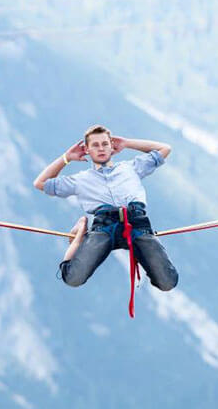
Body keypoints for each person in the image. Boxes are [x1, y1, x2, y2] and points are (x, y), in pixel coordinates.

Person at [33, 125, 178, 316]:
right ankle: (80, 233)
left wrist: (126, 143)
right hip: (104, 228)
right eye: (95, 145)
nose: (101, 148)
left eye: (104, 144)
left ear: (111, 147)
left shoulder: (131, 167)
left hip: (136, 223)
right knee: (73, 279)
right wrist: (66, 158)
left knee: (167, 283)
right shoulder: (80, 180)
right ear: (87, 150)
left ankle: (150, 242)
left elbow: (164, 149)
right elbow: (40, 183)